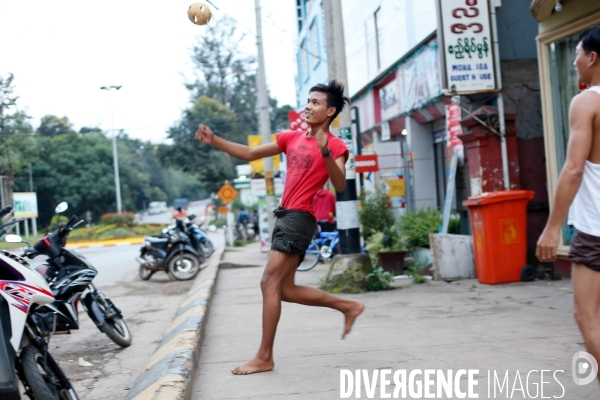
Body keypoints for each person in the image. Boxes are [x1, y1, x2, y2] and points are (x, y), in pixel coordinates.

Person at [195, 79, 364, 375]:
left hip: (300, 217)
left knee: (268, 283)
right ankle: (347, 307)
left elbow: (339, 185)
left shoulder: (336, 145)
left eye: (315, 103)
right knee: (284, 289)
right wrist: (215, 140)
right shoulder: (291, 137)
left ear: (330, 111)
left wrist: (325, 152)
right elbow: (250, 155)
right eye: (308, 101)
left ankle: (264, 357)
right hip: (286, 216)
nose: (308, 107)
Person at [536, 26, 600, 378]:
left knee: (587, 315)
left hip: (595, 229)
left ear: (592, 58)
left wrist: (552, 229)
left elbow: (574, 168)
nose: (574, 62)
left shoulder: (588, 100)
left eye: (577, 54)